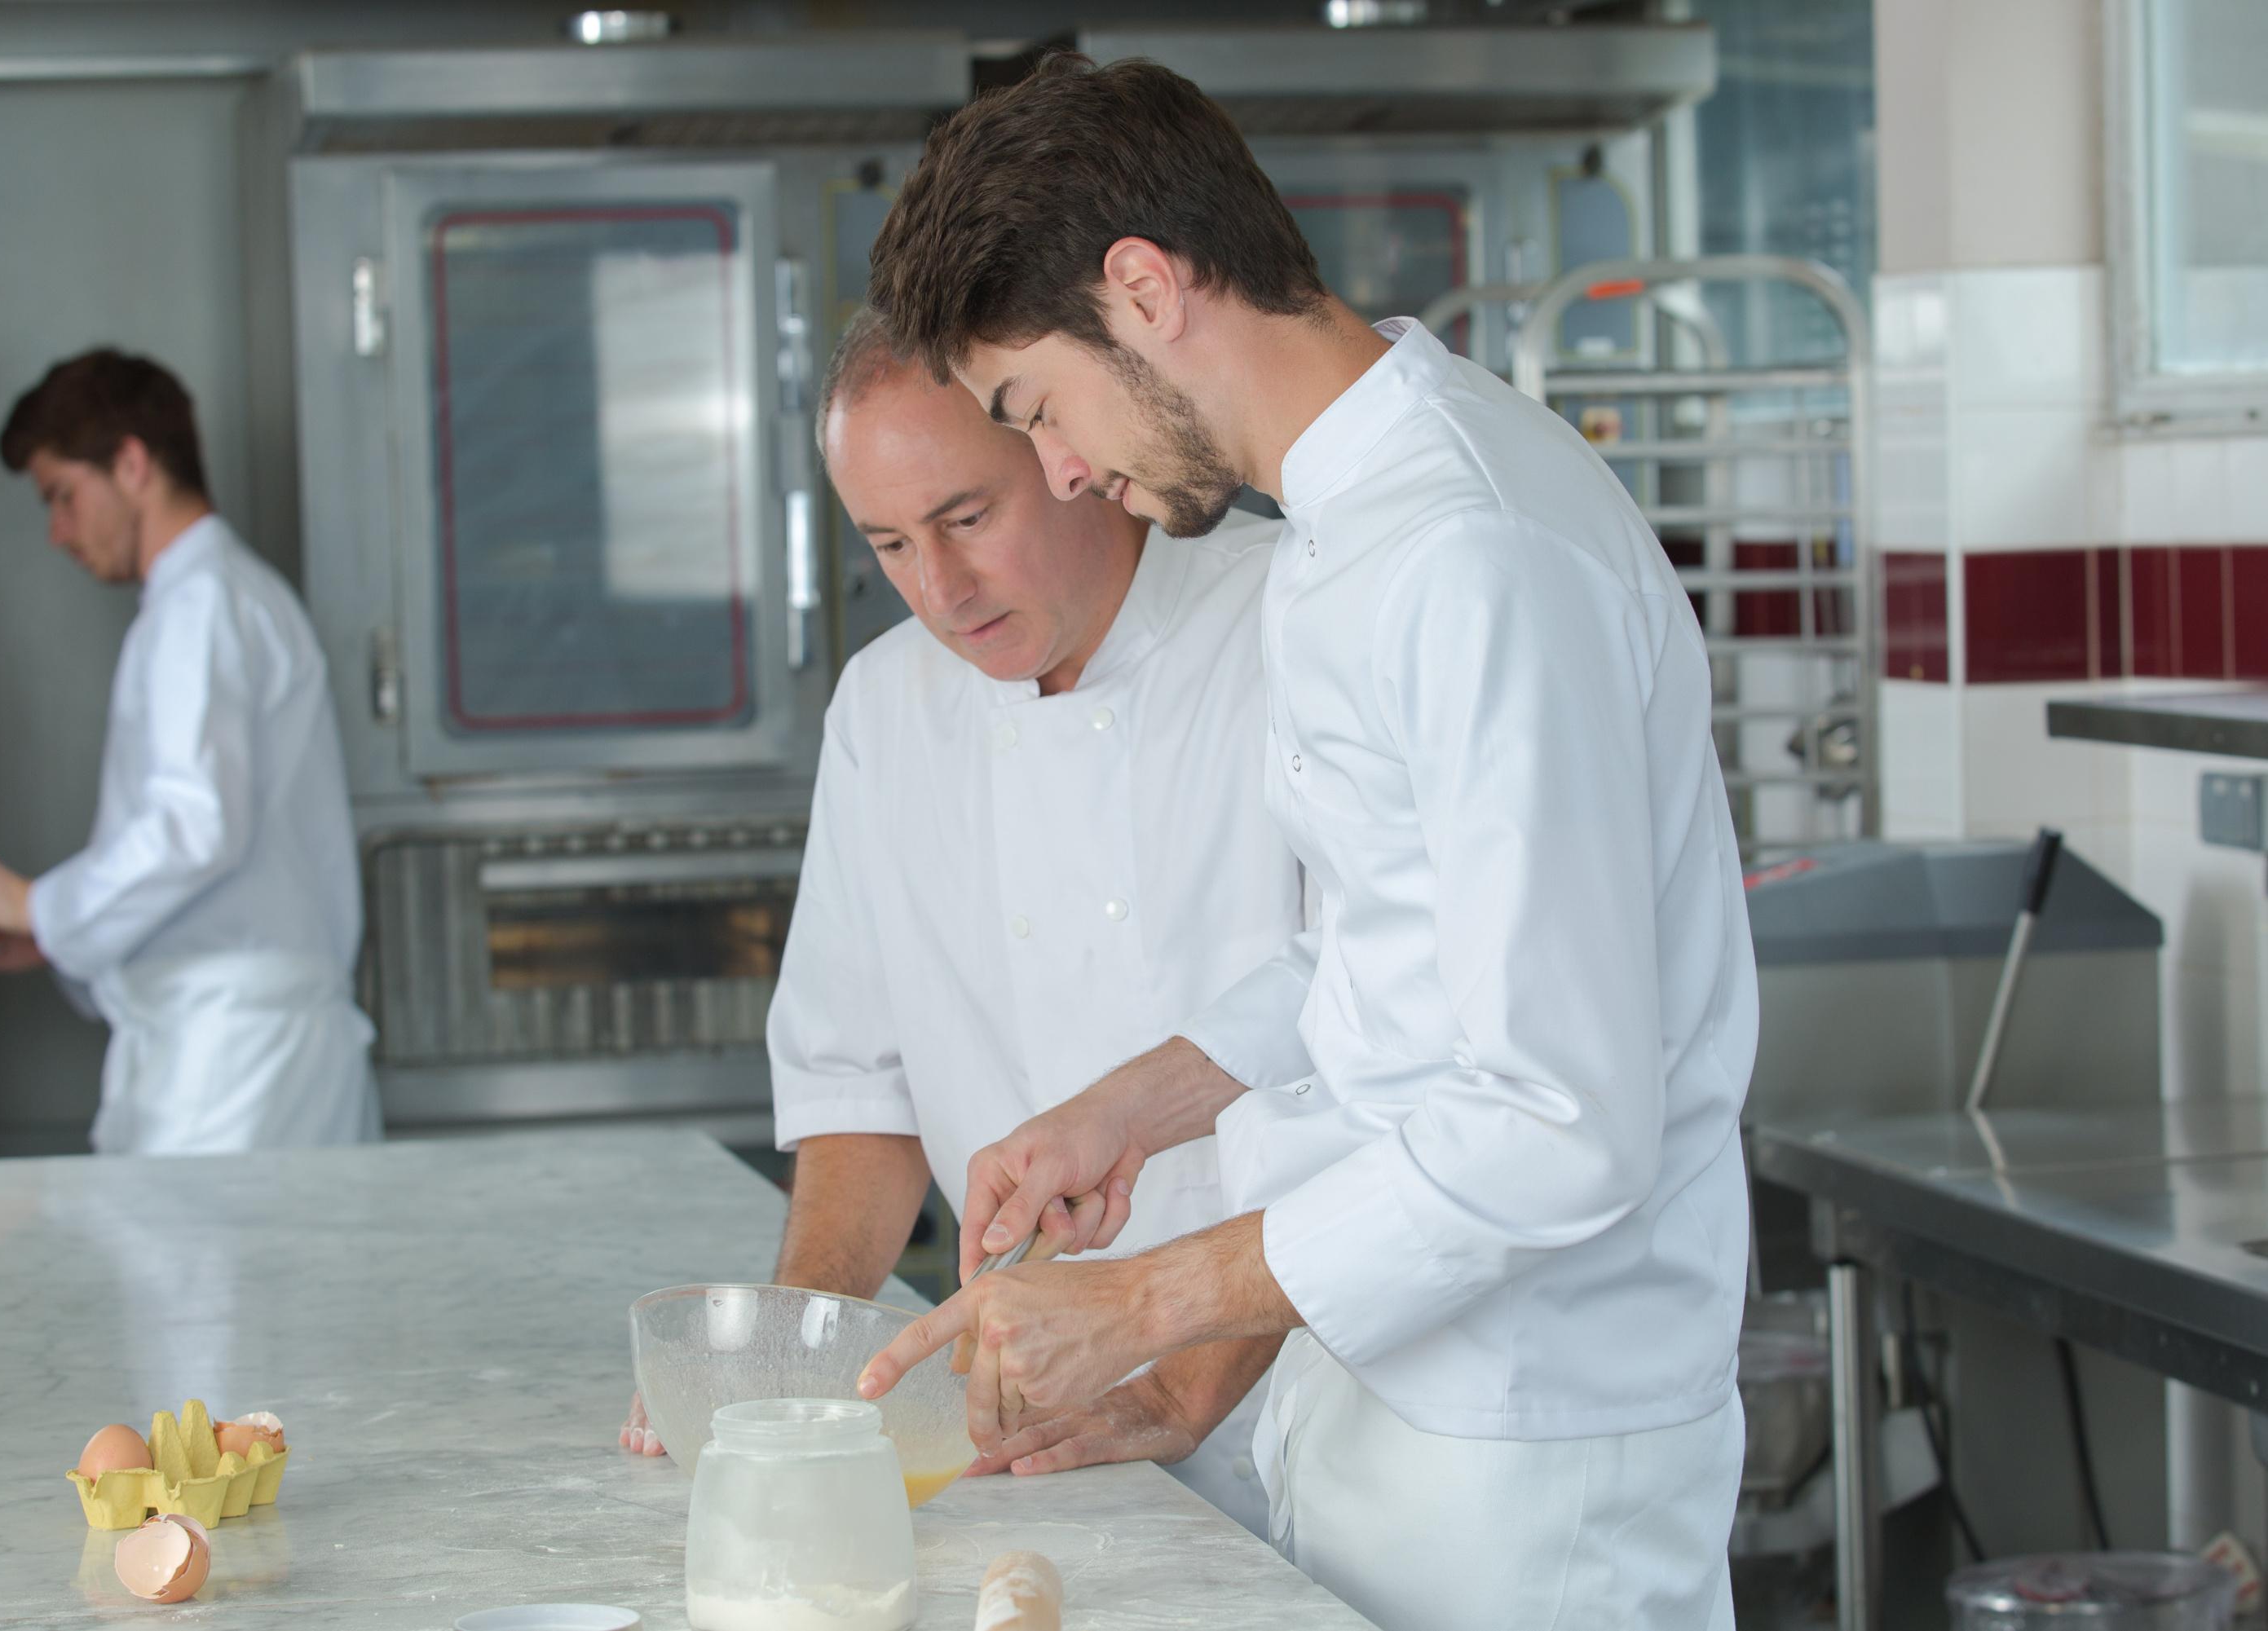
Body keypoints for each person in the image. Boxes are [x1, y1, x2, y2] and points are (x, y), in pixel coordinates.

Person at [854, 56, 1759, 1631]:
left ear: (1142, 289)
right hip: (1385, 1403)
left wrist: (1139, 1299)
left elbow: (1559, 1115)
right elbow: (1389, 948)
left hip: (1528, 1450)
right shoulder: (1356, 526)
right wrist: (1144, 1100)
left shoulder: (1473, 549)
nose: (1063, 470)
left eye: (1038, 410)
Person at [621, 309, 1298, 1535]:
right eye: (887, 543)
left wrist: (1182, 1382)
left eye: (965, 520)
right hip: (1032, 1432)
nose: (938, 590)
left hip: (1303, 1417)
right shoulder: (887, 707)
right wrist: (788, 1371)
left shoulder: (1287, 626)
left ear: (1066, 445)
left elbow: (1371, 1069)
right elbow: (859, 1095)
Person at [0, 348, 380, 1156]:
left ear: (133, 464)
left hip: (236, 1068)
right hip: (232, 1053)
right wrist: (52, 939)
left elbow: (194, 825)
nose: (57, 533)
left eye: (64, 497)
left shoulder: (202, 605)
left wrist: (37, 905)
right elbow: (219, 857)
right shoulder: (221, 598)